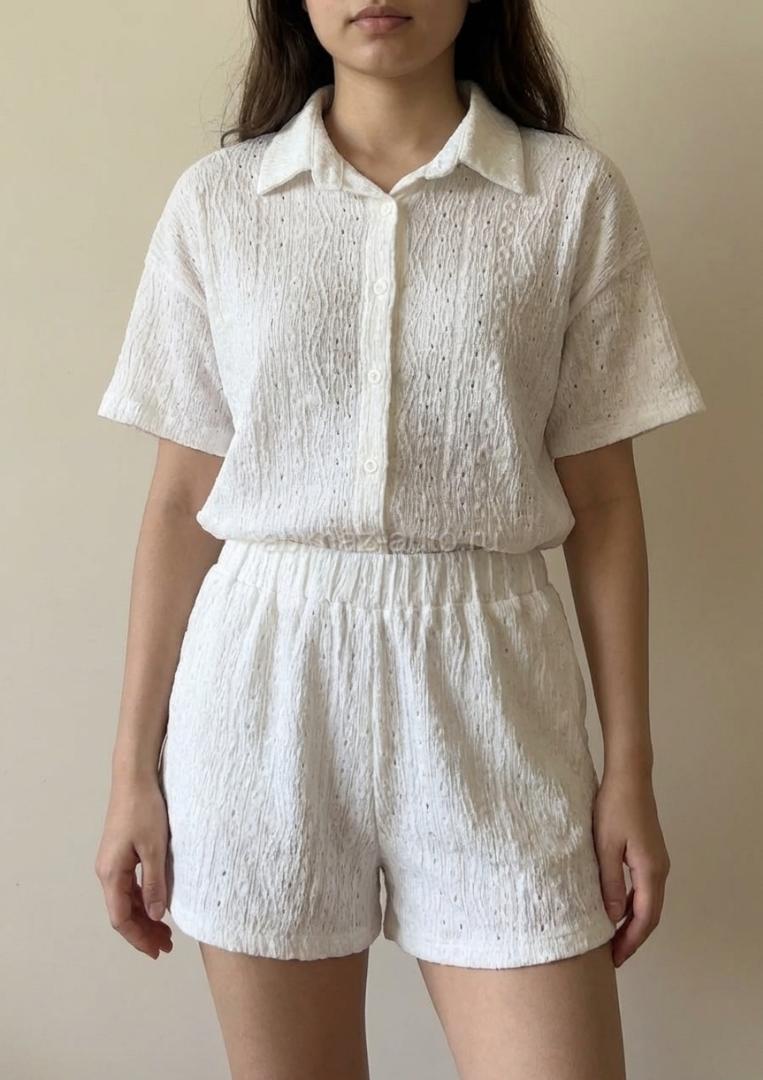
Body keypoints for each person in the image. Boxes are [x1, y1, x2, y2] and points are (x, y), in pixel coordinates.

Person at [93, 2, 707, 1077]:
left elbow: (604, 504)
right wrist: (129, 775)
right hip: (262, 691)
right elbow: (181, 499)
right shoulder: (220, 204)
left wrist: (629, 772)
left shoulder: (566, 197)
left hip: (494, 685)